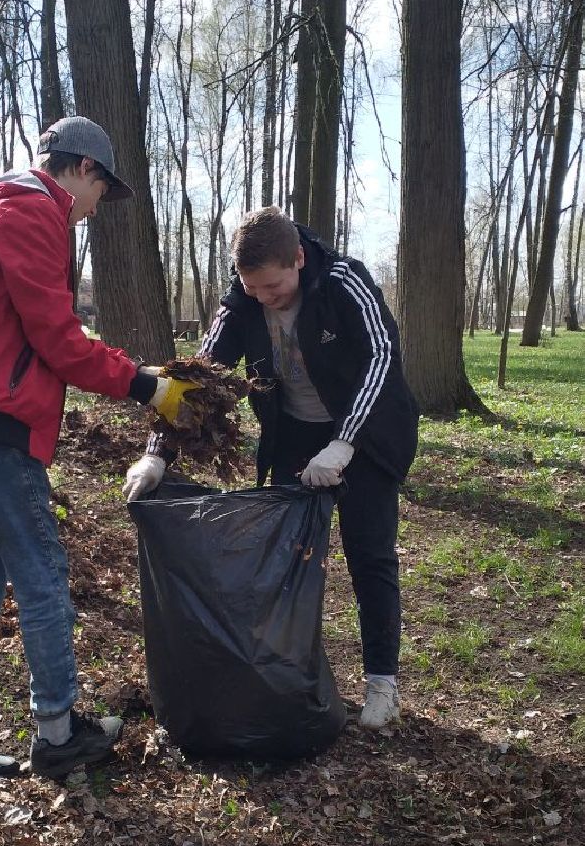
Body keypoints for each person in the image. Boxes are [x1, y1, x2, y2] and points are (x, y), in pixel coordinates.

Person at [0, 115, 197, 786]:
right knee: (40, 576)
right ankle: (60, 732)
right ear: (84, 169)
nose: (93, 211)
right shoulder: (36, 211)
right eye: (100, 194)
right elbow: (57, 340)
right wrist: (147, 386)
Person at [124, 206, 418, 730]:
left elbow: (381, 358)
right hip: (294, 437)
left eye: (273, 287)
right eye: (253, 287)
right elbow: (200, 380)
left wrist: (344, 443)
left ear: (299, 260)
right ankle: (285, 672)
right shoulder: (240, 305)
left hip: (367, 436)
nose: (264, 297)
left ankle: (382, 683)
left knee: (369, 556)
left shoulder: (344, 282)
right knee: (285, 558)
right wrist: (157, 452)